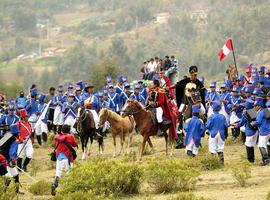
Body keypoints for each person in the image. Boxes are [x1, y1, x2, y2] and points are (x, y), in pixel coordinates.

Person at [51, 124, 78, 196]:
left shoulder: (58, 137)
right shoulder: (70, 136)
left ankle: (54, 184)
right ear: (69, 130)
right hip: (68, 157)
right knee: (68, 173)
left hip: (59, 157)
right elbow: (75, 144)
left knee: (58, 172)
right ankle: (67, 189)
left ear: (62, 130)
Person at [2, 124, 22, 194]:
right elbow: (12, 152)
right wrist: (12, 160)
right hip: (5, 159)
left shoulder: (6, 135)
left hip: (3, 157)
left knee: (15, 174)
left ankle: (16, 191)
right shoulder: (14, 140)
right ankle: (3, 192)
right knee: (9, 176)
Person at [252, 98, 270, 165]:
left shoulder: (261, 112)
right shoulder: (266, 111)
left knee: (261, 145)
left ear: (259, 106)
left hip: (263, 131)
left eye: (255, 106)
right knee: (268, 144)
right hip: (268, 130)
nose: (254, 107)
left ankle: (266, 159)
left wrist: (253, 123)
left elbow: (258, 122)